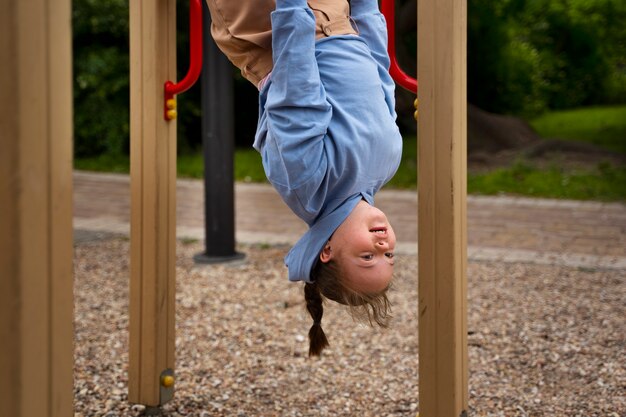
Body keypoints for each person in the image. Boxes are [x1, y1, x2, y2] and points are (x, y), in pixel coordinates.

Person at [206, 0, 403, 356]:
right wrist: (365, 7)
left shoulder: (307, 185)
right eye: (390, 257)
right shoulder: (385, 166)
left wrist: (294, 6)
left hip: (273, 24)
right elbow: (381, 77)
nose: (383, 248)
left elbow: (297, 91)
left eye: (368, 259)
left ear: (327, 250)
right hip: (336, 19)